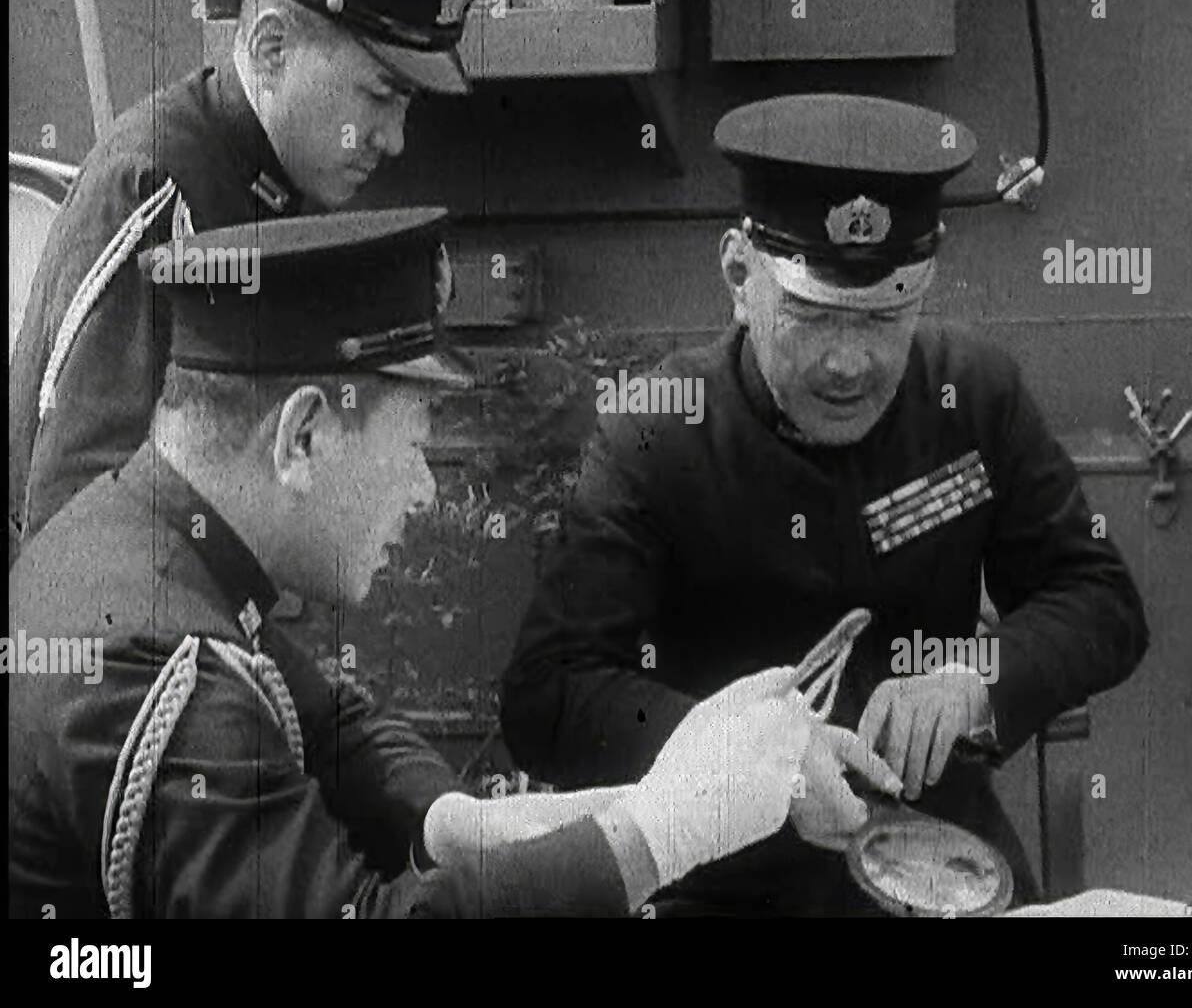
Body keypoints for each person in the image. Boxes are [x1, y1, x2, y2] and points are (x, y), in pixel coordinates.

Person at [7, 208, 821, 919]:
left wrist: (462, 823)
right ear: (304, 437)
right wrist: (664, 831)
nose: (427, 488)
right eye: (415, 439)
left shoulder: (151, 546)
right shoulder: (152, 662)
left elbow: (332, 728)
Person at [501, 93, 1152, 915]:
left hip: (941, 860)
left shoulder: (974, 396)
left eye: (884, 318)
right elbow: (547, 692)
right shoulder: (657, 429)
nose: (850, 363)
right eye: (810, 315)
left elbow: (1103, 602)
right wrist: (750, 757)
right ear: (740, 275)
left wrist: (973, 679)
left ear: (927, 285)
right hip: (720, 876)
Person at [9, 0, 497, 556]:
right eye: (380, 95)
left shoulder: (273, 177)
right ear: (272, 51)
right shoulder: (156, 187)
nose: (394, 138)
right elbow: (75, 516)